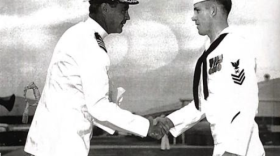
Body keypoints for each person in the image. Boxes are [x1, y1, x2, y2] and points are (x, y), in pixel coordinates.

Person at [24, 0, 166, 156]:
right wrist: (147, 126)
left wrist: (142, 122)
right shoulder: (91, 46)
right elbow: (98, 107)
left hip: (48, 144)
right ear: (105, 8)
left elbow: (89, 106)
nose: (128, 17)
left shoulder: (78, 33)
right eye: (123, 9)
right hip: (63, 147)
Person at [154, 0, 265, 156]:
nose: (193, 17)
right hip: (223, 147)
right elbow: (203, 103)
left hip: (241, 149)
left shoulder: (235, 44)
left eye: (197, 10)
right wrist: (170, 121)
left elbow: (247, 100)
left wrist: (233, 150)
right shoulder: (210, 51)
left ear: (213, 10)